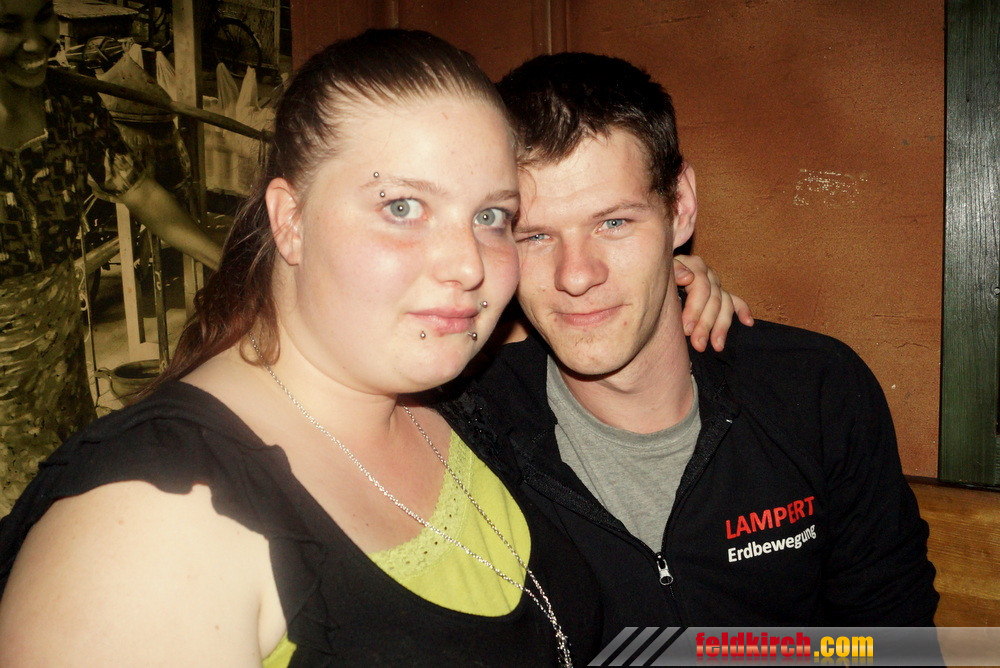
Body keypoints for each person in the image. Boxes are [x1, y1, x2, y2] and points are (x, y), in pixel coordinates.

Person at [0, 28, 749, 665]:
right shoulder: (150, 524)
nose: (467, 263)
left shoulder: (462, 398)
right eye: (402, 206)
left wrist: (662, 279)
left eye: (492, 217)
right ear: (290, 220)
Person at [471, 52, 939, 639]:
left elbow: (897, 642)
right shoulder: (469, 424)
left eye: (614, 223)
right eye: (535, 235)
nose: (577, 275)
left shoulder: (816, 390)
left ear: (681, 206)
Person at [0, 0, 222, 515]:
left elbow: (138, 191)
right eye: (8, 25)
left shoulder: (69, 102)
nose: (35, 41)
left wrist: (230, 263)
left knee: (65, 472)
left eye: (41, 16)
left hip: (58, 341)